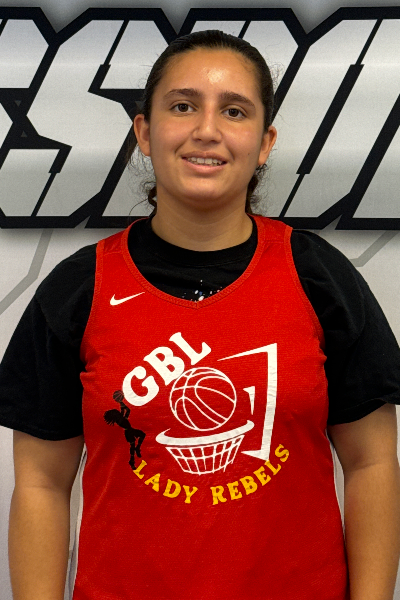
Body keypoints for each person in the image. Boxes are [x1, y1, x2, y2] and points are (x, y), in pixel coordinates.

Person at [1, 29, 400, 600]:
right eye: (183, 106)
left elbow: (372, 465)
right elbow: (41, 483)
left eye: (234, 111)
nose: (207, 129)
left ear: (264, 143)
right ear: (144, 131)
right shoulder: (78, 289)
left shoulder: (320, 278)